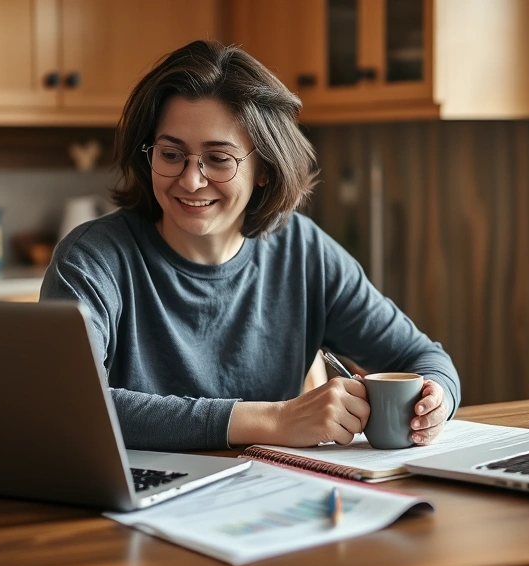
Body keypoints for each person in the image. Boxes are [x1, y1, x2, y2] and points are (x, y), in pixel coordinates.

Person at [40, 40, 460, 451]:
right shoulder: (91, 259)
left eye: (218, 159)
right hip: (133, 499)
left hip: (260, 496)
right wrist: (275, 420)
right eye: (171, 154)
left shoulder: (305, 252)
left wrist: (435, 401)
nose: (190, 179)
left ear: (263, 169)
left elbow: (422, 357)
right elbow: (69, 404)